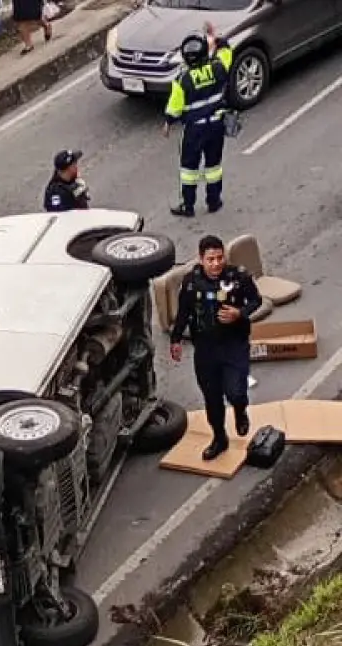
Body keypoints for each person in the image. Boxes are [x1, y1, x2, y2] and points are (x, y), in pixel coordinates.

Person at [170, 235, 262, 461]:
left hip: (234, 345)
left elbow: (256, 300)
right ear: (201, 259)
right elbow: (183, 312)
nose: (216, 264)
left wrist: (239, 313)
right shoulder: (191, 283)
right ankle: (219, 438)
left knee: (236, 392)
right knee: (212, 399)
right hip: (205, 350)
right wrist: (175, 339)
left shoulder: (238, 277)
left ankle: (241, 411)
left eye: (220, 258)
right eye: (210, 259)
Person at [163, 24, 233, 217]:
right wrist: (215, 37)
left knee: (189, 169)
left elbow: (175, 107)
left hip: (194, 130)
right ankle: (213, 201)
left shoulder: (182, 80)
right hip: (216, 126)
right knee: (213, 166)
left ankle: (188, 205)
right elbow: (226, 51)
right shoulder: (218, 68)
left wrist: (168, 122)